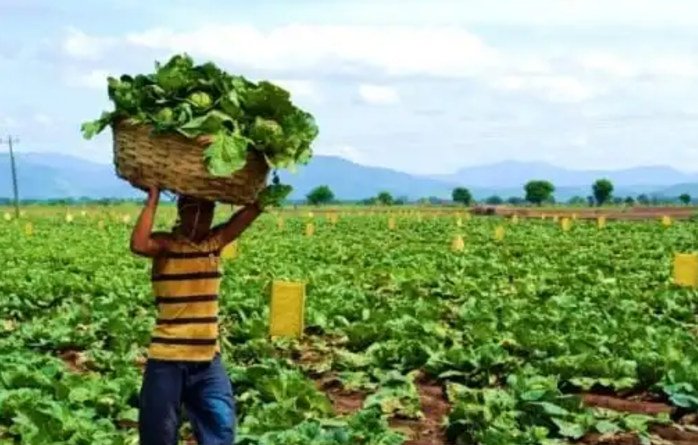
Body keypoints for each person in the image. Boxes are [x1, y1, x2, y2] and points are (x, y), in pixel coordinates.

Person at [130, 182, 288, 445]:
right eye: (195, 211)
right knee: (159, 433)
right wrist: (153, 199)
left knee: (221, 429)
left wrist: (263, 187)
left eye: (207, 212)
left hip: (207, 359)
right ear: (182, 212)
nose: (201, 219)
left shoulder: (214, 243)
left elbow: (248, 214)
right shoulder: (167, 245)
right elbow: (138, 244)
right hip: (168, 358)